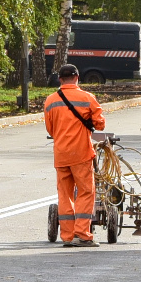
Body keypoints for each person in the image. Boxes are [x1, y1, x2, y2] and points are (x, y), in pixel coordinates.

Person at [43, 63, 106, 247]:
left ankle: (68, 236)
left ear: (60, 79)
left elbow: (50, 128)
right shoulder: (87, 98)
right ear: (77, 77)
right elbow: (100, 124)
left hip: (61, 154)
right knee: (86, 192)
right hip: (81, 154)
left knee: (64, 195)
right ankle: (83, 234)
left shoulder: (50, 100)